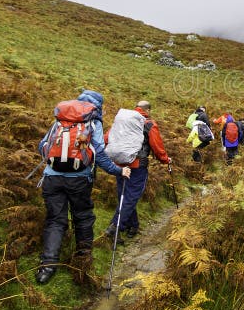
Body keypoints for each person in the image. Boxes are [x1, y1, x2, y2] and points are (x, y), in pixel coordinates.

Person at [35, 90, 131, 285]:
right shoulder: (92, 122)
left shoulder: (61, 119)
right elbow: (100, 154)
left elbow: (42, 145)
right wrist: (118, 171)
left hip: (52, 178)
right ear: (98, 107)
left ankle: (48, 266)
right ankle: (83, 258)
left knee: (55, 219)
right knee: (83, 216)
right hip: (79, 179)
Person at [105, 100, 171, 241]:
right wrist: (166, 160)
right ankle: (115, 227)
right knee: (131, 196)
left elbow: (106, 138)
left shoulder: (123, 121)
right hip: (137, 165)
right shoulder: (148, 123)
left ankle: (133, 226)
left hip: (119, 163)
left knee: (124, 195)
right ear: (147, 110)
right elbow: (157, 147)